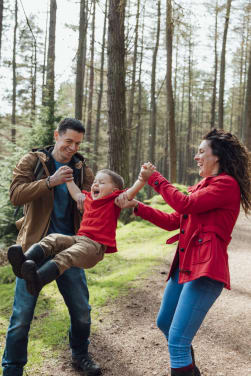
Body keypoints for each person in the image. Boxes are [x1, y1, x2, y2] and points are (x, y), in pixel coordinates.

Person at [115, 129, 251, 376]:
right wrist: (138, 206)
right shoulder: (202, 186)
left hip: (206, 270)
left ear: (217, 156)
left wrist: (156, 179)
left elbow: (184, 204)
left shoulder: (226, 185)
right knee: (164, 323)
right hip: (185, 265)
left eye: (201, 152)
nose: (196, 157)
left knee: (177, 340)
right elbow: (172, 220)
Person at [2, 118, 102, 376]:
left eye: (77, 143)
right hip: (33, 250)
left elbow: (95, 204)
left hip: (69, 251)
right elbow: (15, 195)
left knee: (82, 311)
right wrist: (50, 181)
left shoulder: (82, 169)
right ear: (57, 135)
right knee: (21, 318)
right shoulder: (34, 161)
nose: (72, 148)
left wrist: (87, 204)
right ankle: (12, 369)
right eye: (68, 141)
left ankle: (80, 355)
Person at [8, 169, 145, 296]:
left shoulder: (114, 201)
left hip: (94, 247)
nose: (96, 184)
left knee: (66, 256)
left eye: (102, 183)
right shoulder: (89, 199)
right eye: (95, 182)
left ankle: (39, 280)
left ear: (114, 190)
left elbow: (130, 193)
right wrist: (69, 180)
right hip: (79, 239)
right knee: (54, 239)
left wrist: (142, 179)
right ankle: (24, 261)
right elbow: (76, 193)